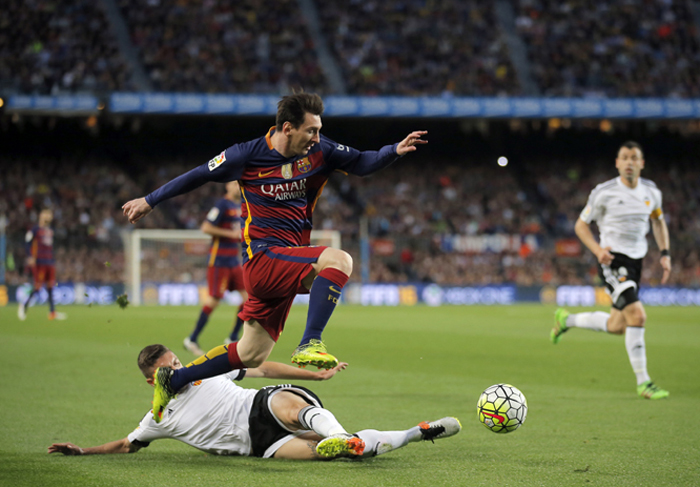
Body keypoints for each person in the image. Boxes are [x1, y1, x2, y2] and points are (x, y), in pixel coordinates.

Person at [122, 92, 427, 420]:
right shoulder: (246, 155)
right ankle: (311, 341)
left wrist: (394, 151)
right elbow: (199, 174)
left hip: (287, 261)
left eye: (319, 129)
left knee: (251, 353)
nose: (317, 137)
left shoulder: (320, 151)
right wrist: (150, 200)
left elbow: (363, 162)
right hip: (263, 260)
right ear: (287, 128)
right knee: (339, 260)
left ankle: (174, 379)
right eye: (311, 130)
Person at [48, 344, 461, 460]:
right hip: (261, 446)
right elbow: (126, 444)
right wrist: (81, 450)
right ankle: (417, 433)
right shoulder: (158, 417)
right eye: (164, 372)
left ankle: (337, 434)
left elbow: (262, 369)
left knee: (289, 406)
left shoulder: (208, 369)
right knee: (338, 454)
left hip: (259, 406)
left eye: (175, 363)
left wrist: (314, 375)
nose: (175, 371)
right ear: (150, 382)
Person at [551, 141, 671, 399]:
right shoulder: (603, 192)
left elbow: (659, 223)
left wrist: (665, 254)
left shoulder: (652, 192)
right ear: (617, 163)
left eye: (634, 158)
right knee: (637, 316)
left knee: (618, 325)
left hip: (636, 262)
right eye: (624, 158)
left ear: (642, 163)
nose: (629, 162)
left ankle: (566, 320)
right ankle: (644, 383)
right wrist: (598, 250)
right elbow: (581, 226)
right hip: (612, 260)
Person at [183, 181, 248, 356]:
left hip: (233, 261)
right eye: (234, 184)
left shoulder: (238, 206)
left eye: (239, 184)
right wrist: (231, 235)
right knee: (214, 299)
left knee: (248, 298)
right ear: (227, 186)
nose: (238, 186)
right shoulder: (222, 204)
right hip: (218, 260)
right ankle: (192, 339)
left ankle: (233, 338)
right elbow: (206, 227)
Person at [18, 208, 66, 321]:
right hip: (39, 261)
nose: (48, 217)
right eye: (46, 214)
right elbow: (27, 243)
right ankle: (24, 305)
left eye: (50, 215)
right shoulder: (35, 229)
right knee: (38, 287)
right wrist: (30, 256)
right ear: (41, 216)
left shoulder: (50, 230)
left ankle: (52, 312)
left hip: (49, 262)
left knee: (50, 287)